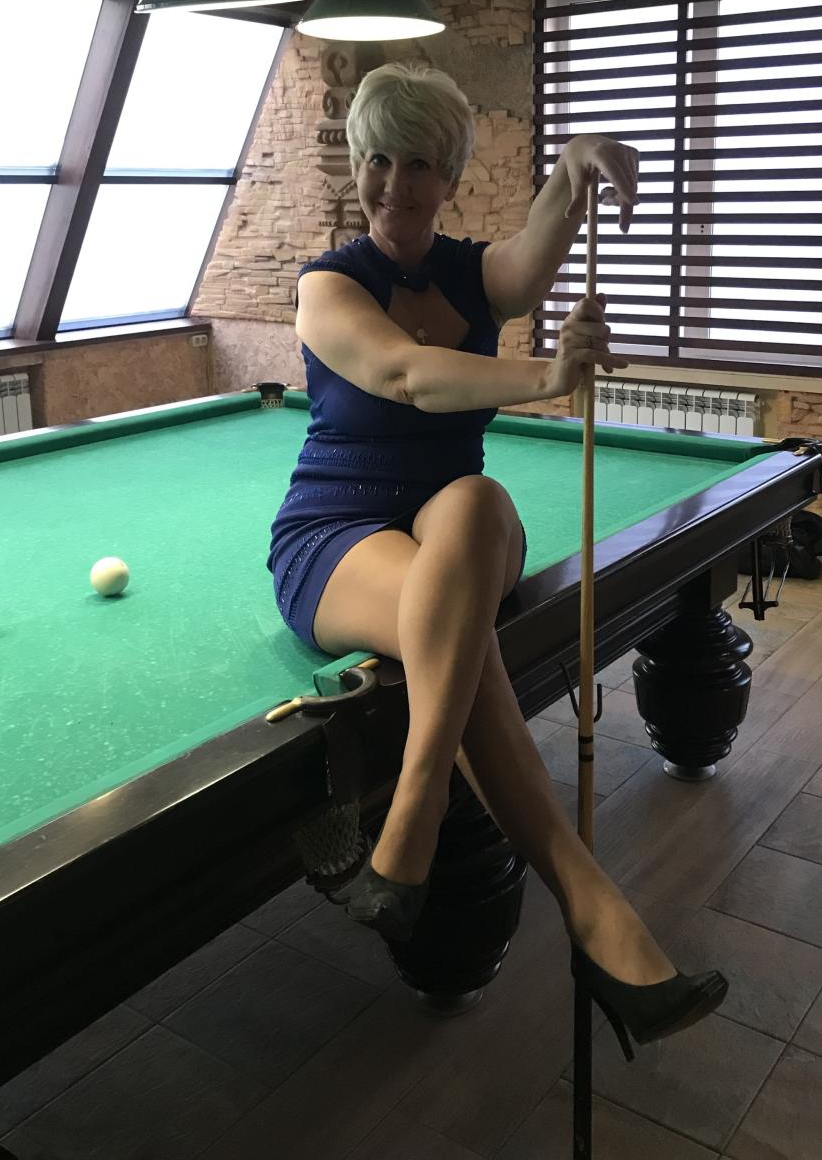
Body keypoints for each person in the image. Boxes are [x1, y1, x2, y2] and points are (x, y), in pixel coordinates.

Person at [267, 63, 726, 1056]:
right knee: (460, 642)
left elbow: (530, 259)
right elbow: (403, 373)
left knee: (477, 501)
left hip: (458, 533)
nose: (394, 184)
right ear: (357, 165)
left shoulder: (474, 272)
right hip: (336, 537)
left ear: (450, 177)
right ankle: (592, 911)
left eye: (418, 164)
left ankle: (415, 811)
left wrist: (569, 171)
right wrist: (549, 375)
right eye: (377, 159)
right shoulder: (327, 286)